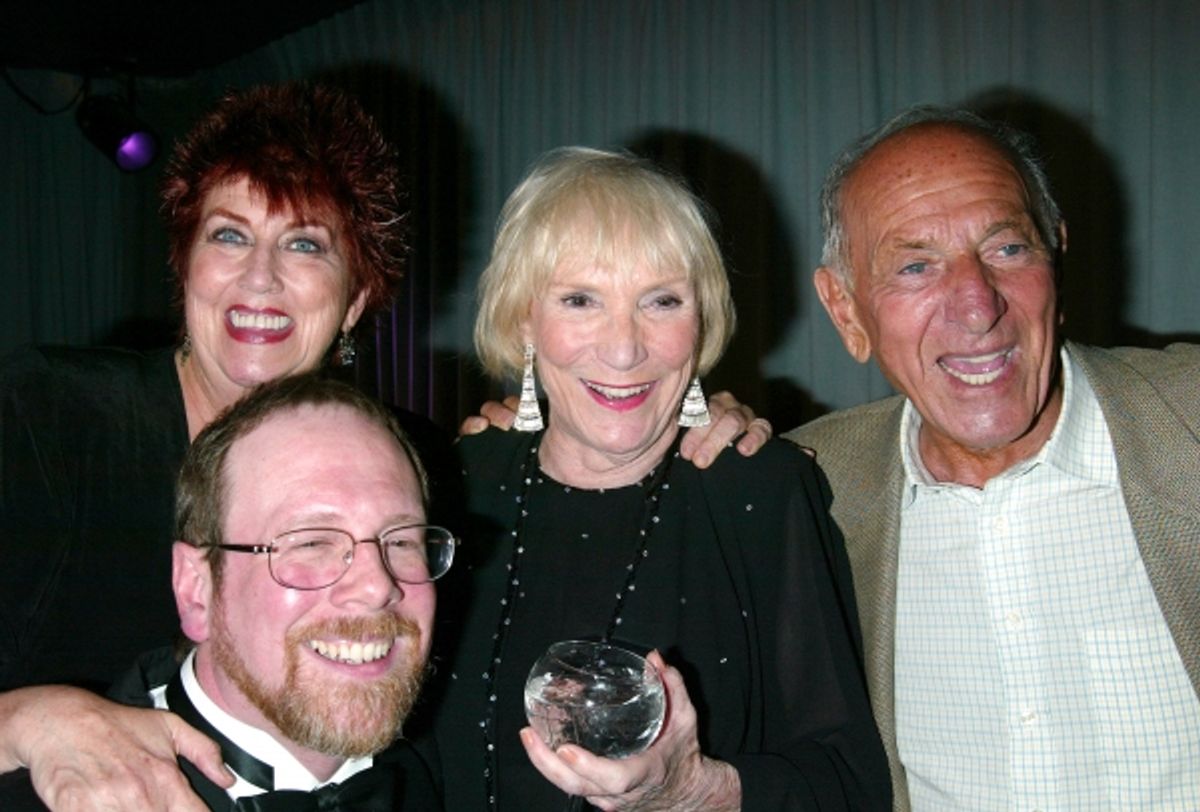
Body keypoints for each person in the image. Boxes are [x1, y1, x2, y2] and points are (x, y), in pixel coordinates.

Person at [0, 80, 446, 810]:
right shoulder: (46, 417)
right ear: (184, 266)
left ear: (355, 301)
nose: (260, 278)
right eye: (230, 235)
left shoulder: (398, 462)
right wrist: (26, 721)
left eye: (304, 244)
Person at [433, 146, 890, 811]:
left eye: (662, 301)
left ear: (701, 322)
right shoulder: (456, 487)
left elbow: (848, 783)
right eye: (580, 300)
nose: (625, 349)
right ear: (524, 319)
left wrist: (696, 793)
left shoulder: (761, 492)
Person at [784, 105, 1200, 810]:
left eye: (1007, 249)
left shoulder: (1186, 422)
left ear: (1056, 258)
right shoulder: (805, 491)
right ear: (847, 311)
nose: (977, 306)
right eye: (916, 266)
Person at [3, 373, 451, 810]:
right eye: (312, 543)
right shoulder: (50, 795)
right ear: (196, 589)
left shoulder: (440, 765)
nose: (376, 587)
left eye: (402, 542)